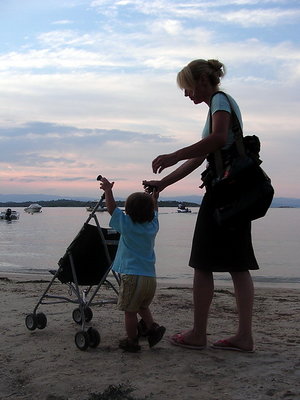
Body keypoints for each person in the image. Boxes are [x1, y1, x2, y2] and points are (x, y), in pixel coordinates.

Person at [143, 59, 258, 353]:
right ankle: (243, 336)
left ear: (203, 81)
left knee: (203, 262)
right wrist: (164, 182)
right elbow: (202, 156)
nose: (186, 94)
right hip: (236, 192)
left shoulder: (219, 100)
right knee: (238, 264)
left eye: (188, 87)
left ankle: (198, 334)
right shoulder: (218, 105)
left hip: (224, 193)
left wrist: (173, 154)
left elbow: (218, 138)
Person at [99, 176, 166, 352]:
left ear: (128, 211)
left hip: (132, 276)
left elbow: (112, 209)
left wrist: (108, 190)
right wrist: (154, 199)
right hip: (150, 278)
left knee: (130, 311)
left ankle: (132, 340)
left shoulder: (127, 224)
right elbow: (156, 212)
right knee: (142, 306)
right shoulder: (153, 227)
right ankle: (153, 329)